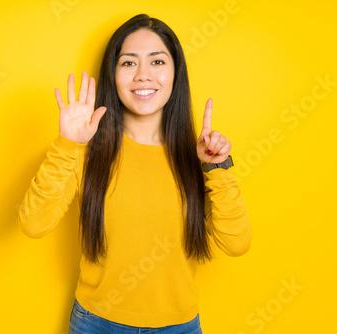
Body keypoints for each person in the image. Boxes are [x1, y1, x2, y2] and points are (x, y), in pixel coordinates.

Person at [18, 13, 252, 334]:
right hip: (95, 323)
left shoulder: (200, 157)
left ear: (175, 73)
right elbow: (33, 224)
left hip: (179, 327)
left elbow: (236, 243)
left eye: (157, 62)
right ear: (113, 75)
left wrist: (217, 167)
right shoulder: (84, 151)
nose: (143, 75)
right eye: (128, 63)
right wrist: (67, 144)